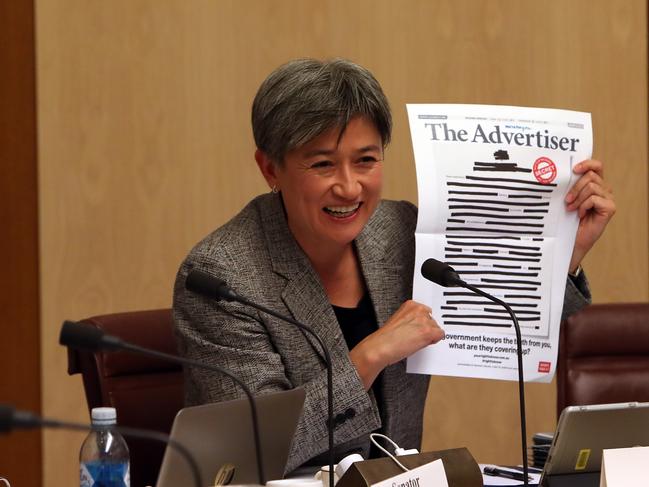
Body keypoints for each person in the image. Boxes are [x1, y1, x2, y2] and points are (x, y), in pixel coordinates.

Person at [173, 58, 615, 473]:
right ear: (270, 168)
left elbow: (499, 320)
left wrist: (565, 253)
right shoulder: (222, 276)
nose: (349, 187)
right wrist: (371, 355)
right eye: (323, 164)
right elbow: (254, 448)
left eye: (366, 160)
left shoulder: (399, 231)